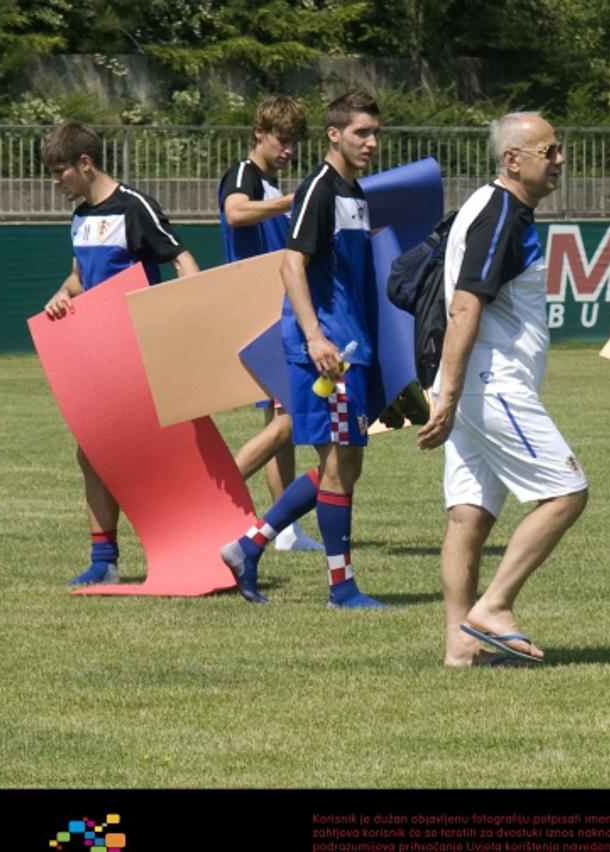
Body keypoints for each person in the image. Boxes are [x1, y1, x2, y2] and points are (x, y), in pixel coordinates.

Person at [418, 112, 589, 666]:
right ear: (513, 160)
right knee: (566, 492)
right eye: (550, 150)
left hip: (470, 387)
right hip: (490, 384)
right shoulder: (502, 214)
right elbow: (466, 304)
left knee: (468, 516)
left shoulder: (492, 208)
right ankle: (493, 607)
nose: (560, 160)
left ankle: (459, 645)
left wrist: (449, 391)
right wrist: (450, 393)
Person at [220, 92, 386, 607]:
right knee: (338, 464)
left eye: (375, 133)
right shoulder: (317, 188)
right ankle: (342, 588)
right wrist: (316, 337)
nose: (372, 143)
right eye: (362, 132)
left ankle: (249, 547)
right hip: (326, 353)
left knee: (346, 466)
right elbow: (291, 264)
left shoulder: (354, 194)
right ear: (334, 134)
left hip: (350, 350)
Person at [41, 121, 201, 586]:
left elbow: (181, 257)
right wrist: (61, 295)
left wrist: (190, 315)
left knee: (157, 457)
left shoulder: (135, 207)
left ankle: (191, 543)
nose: (56, 183)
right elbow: (80, 277)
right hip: (100, 354)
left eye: (60, 172)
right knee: (90, 454)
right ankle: (103, 560)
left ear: (85, 164)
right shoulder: (79, 218)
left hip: (142, 354)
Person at [217, 95, 321, 553]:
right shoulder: (245, 176)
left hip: (271, 311)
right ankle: (216, 494)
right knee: (291, 418)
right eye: (282, 139)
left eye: (294, 142)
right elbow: (234, 212)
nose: (289, 150)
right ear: (259, 131)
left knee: (279, 418)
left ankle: (283, 529)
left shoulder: (269, 182)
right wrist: (288, 203)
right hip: (258, 315)